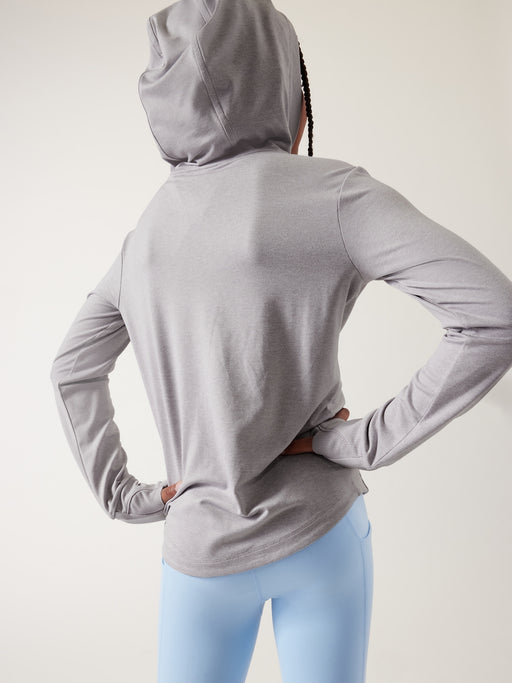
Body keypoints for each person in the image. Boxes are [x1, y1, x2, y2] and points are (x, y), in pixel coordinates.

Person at [49, 1, 512, 681]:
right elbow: (493, 313)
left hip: (199, 552)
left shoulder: (144, 237)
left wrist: (129, 496)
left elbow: (71, 370)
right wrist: (360, 442)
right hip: (320, 534)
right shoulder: (335, 193)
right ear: (282, 84)